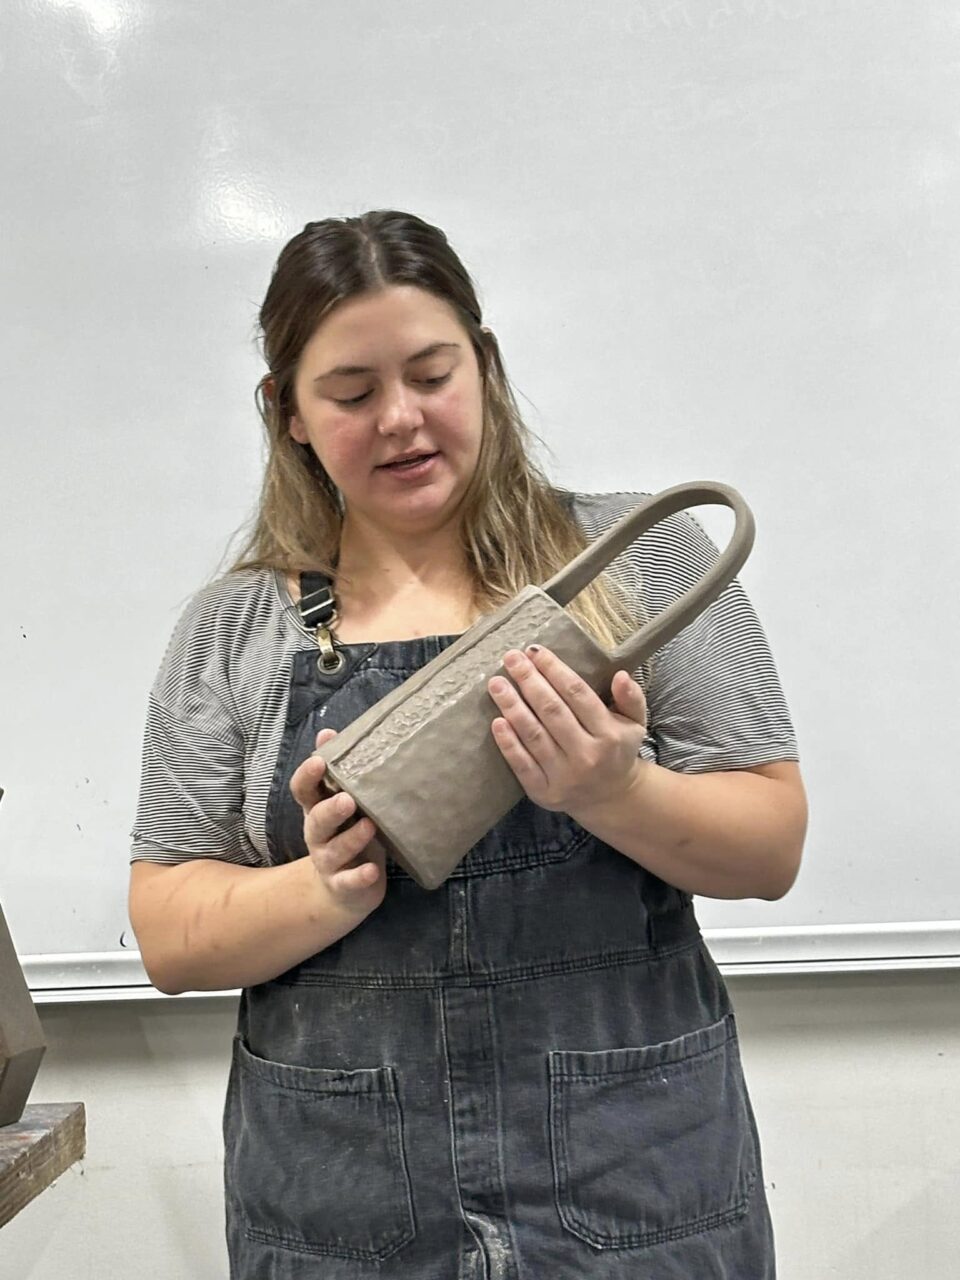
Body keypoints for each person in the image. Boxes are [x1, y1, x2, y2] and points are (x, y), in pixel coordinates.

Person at [129, 210, 807, 1279]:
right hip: (344, 1202)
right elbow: (169, 932)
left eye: (432, 374)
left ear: (485, 366)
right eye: (352, 393)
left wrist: (613, 789)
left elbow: (770, 847)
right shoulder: (235, 629)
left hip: (635, 1182)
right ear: (287, 411)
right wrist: (327, 887)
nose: (401, 418)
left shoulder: (640, 558)